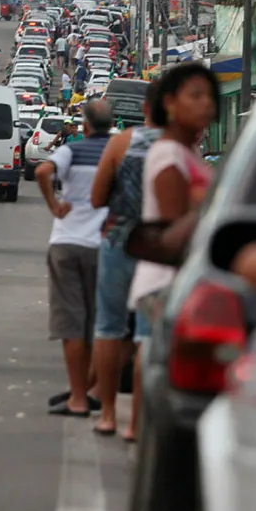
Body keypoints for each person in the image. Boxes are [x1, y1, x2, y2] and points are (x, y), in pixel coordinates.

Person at [126, 64, 219, 441]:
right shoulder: (168, 156)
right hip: (165, 280)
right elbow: (173, 227)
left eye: (209, 97)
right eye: (195, 96)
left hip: (178, 281)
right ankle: (140, 428)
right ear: (169, 103)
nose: (206, 105)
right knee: (152, 357)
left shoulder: (188, 152)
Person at [89, 83, 161, 436]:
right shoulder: (182, 148)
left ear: (145, 107)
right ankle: (135, 422)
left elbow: (97, 197)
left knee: (109, 328)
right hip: (159, 250)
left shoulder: (122, 142)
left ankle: (106, 414)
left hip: (119, 241)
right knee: (146, 335)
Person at [36, 100, 115, 417]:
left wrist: (54, 205)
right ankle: (91, 389)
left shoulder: (73, 150)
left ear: (84, 126)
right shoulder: (117, 152)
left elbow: (43, 169)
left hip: (67, 243)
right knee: (100, 325)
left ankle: (78, 398)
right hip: (104, 245)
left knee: (72, 324)